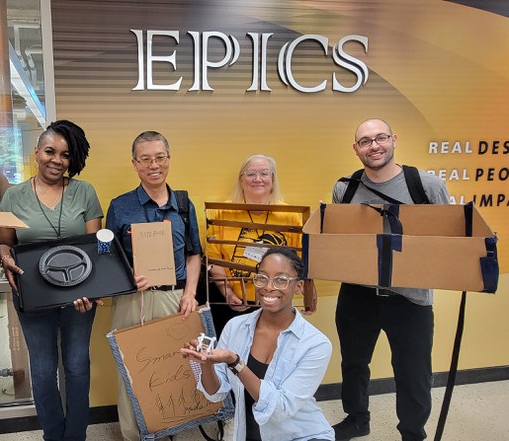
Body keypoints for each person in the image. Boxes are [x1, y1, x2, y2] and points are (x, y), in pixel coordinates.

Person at [330, 118, 450, 441]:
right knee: (354, 363)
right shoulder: (345, 188)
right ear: (356, 149)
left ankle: (413, 433)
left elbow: (448, 238)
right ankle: (357, 419)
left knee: (414, 373)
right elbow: (338, 240)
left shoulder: (426, 186)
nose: (374, 146)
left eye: (380, 138)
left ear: (394, 140)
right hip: (357, 294)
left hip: (410, 298)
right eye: (365, 141)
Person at [0, 120, 103, 441]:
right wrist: (4, 256)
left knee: (77, 366)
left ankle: (76, 436)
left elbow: (95, 247)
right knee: (43, 370)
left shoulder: (84, 192)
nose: (57, 160)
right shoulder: (14, 196)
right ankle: (54, 436)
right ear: (36, 153)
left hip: (78, 295)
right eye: (49, 151)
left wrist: (92, 291)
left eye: (65, 154)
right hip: (33, 295)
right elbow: (4, 242)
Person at [105, 130, 201, 441]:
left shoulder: (184, 205)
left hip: (174, 298)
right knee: (131, 369)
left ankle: (169, 429)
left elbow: (194, 254)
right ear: (135, 163)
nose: (154, 165)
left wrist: (190, 294)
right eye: (145, 159)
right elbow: (107, 257)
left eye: (160, 157)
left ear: (169, 159)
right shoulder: (120, 206)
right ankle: (133, 435)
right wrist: (126, 276)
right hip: (132, 300)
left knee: (173, 370)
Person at [181, 247, 334, 441]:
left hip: (302, 436)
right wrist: (206, 363)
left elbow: (280, 409)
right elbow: (214, 393)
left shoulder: (315, 344)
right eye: (262, 277)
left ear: (298, 286)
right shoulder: (236, 327)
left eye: (281, 280)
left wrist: (236, 363)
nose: (268, 287)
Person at [206, 155, 305, 332]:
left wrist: (308, 294)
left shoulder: (290, 216)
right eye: (251, 174)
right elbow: (213, 259)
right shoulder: (222, 213)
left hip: (276, 304)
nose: (258, 179)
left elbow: (299, 263)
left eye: (264, 173)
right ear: (241, 180)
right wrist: (227, 292)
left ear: (272, 179)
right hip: (232, 304)